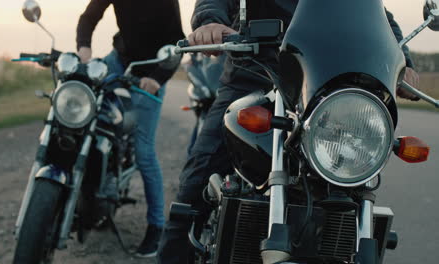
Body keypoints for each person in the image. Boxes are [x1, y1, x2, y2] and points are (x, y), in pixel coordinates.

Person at [157, 0, 420, 263]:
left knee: (351, 173)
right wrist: (210, 21)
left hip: (318, 90)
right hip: (253, 75)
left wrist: (403, 62)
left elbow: (379, 18)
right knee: (199, 178)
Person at [76, 0, 184, 258]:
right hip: (117, 60)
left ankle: (157, 226)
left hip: (150, 71)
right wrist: (84, 49)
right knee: (85, 117)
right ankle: (89, 197)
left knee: (144, 151)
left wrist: (156, 79)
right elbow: (89, 16)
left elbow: (177, 42)